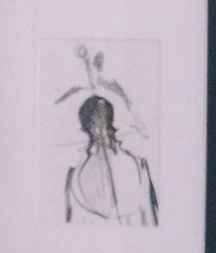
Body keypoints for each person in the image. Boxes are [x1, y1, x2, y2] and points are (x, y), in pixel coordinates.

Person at [63, 92, 159, 224]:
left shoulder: (139, 166)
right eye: (94, 124)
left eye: (105, 122)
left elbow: (149, 216)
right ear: (88, 128)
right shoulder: (75, 177)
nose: (101, 129)